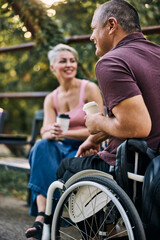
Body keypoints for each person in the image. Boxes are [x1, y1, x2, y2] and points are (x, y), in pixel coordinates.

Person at [57, 0, 160, 193]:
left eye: (94, 29)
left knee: (66, 167)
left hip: (134, 171)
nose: (91, 36)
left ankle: (105, 224)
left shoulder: (111, 61)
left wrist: (98, 123)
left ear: (111, 25)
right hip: (156, 169)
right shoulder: (157, 53)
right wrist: (97, 137)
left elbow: (138, 125)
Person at [25, 43, 104, 239]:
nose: (69, 65)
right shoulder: (51, 97)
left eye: (72, 60)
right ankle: (42, 217)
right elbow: (46, 129)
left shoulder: (89, 88)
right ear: (53, 67)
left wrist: (65, 134)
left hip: (87, 146)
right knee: (42, 146)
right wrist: (50, 132)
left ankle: (44, 219)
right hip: (60, 147)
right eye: (63, 61)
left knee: (44, 155)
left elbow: (101, 125)